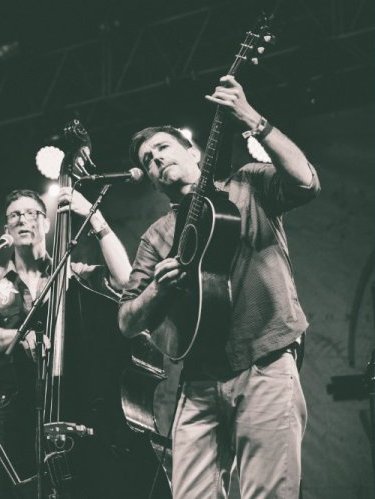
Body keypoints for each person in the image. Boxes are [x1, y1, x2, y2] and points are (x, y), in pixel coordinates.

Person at [118, 75, 320, 498]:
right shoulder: (156, 236)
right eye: (148, 159)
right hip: (199, 379)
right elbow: (126, 320)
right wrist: (157, 290)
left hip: (265, 358)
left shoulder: (248, 185)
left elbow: (305, 182)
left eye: (163, 148)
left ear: (193, 151)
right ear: (152, 181)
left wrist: (252, 119)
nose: (156, 159)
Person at [0, 188, 132, 499]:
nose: (23, 220)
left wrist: (96, 219)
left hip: (63, 402)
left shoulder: (69, 273)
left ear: (46, 223)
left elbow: (125, 281)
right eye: (15, 215)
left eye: (32, 213)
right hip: (4, 403)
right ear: (6, 229)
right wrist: (19, 337)